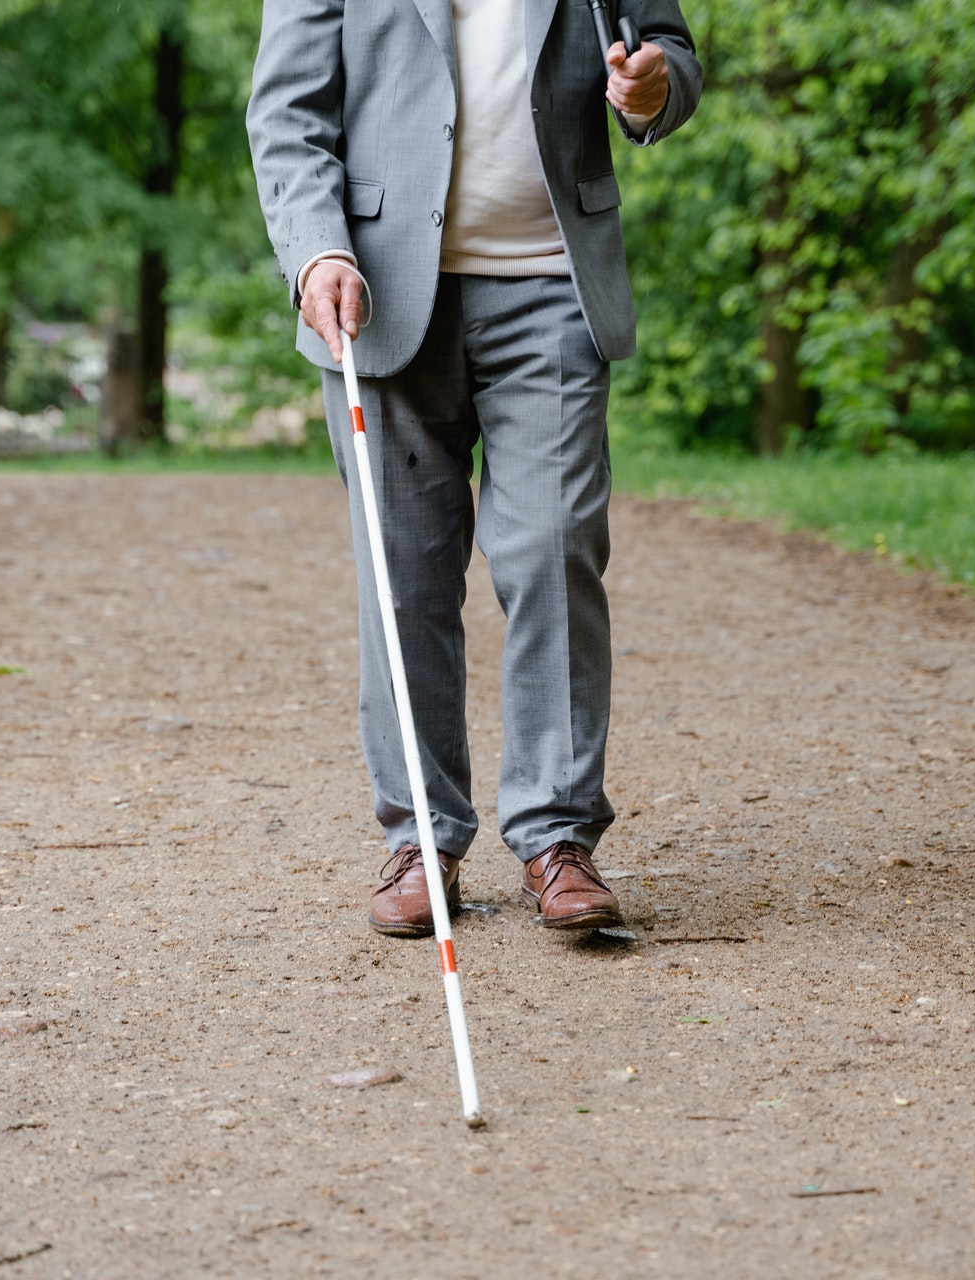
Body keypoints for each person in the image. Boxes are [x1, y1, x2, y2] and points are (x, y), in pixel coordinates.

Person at [248, 0, 701, 936]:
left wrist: (652, 91)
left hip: (554, 287)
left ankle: (556, 835)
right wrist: (315, 252)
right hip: (376, 296)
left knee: (555, 547)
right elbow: (287, 114)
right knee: (404, 577)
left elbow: (669, 58)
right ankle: (421, 837)